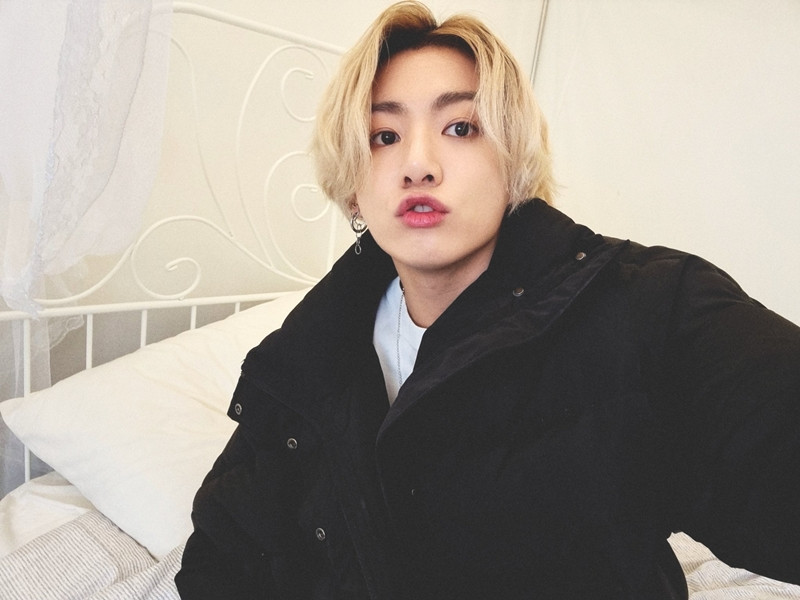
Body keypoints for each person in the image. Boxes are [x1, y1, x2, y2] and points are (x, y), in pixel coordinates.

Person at [175, 2, 800, 598]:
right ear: (354, 189)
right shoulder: (308, 348)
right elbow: (221, 553)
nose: (418, 164)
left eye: (460, 127)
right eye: (383, 135)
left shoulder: (649, 306)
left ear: (513, 162)